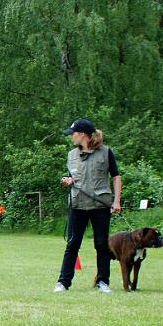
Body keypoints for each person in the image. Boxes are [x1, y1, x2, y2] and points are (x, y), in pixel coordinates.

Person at [55, 119, 121, 293]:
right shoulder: (71, 155)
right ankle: (63, 283)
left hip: (100, 206)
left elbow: (116, 176)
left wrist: (117, 201)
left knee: (101, 245)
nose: (71, 137)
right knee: (72, 245)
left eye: (73, 134)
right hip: (77, 205)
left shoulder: (106, 152)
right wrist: (68, 181)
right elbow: (73, 177)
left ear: (82, 134)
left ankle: (102, 282)